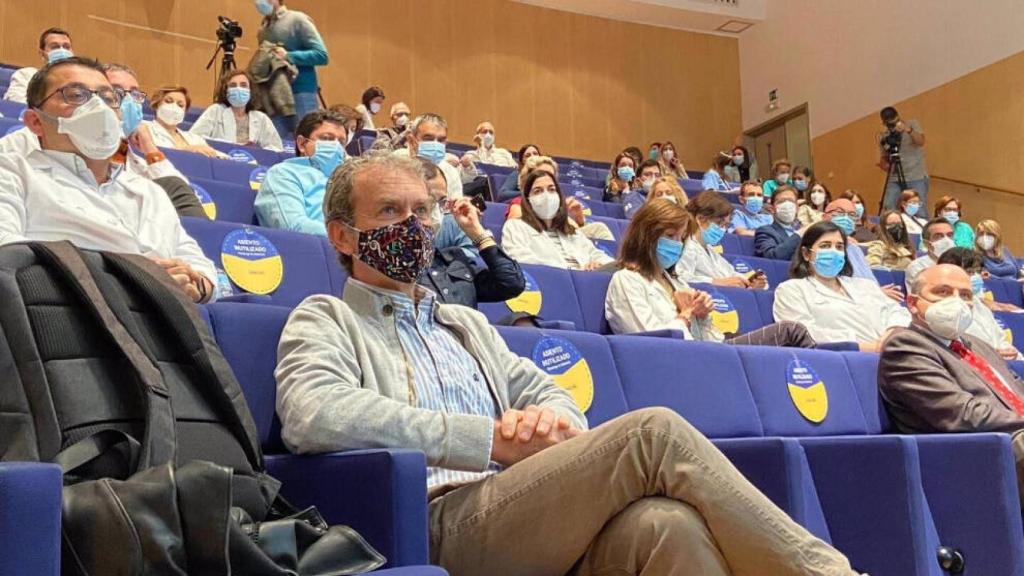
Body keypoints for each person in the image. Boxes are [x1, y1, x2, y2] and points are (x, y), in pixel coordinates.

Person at [277, 151, 861, 576]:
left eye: (422, 212)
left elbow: (549, 392)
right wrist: (487, 440)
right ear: (344, 236)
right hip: (427, 520)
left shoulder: (465, 323)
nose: (413, 226)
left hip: (519, 506)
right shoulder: (325, 316)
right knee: (652, 433)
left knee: (666, 527)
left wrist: (548, 423)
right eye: (388, 212)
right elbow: (313, 412)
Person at [0, 57, 215, 303]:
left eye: (109, 97)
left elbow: (200, 267)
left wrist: (196, 285)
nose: (98, 107)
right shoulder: (12, 171)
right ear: (36, 121)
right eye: (76, 95)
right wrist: (134, 279)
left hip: (163, 325)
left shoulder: (149, 192)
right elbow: (9, 256)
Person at [878, 265, 1024, 499]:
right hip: (969, 460)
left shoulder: (977, 345)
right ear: (913, 303)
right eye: (943, 292)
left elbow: (1018, 392)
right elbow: (962, 414)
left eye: (965, 295)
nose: (956, 302)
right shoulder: (906, 346)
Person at [0, 62, 203, 218]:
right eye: (115, 92)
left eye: (134, 94)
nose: (127, 101)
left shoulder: (135, 163)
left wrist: (150, 149)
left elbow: (188, 206)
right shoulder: (25, 141)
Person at [606, 200, 817, 348]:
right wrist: (686, 314)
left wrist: (704, 315)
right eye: (670, 236)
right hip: (679, 363)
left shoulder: (675, 282)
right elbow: (651, 343)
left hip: (711, 350)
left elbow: (711, 338)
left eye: (681, 238)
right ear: (645, 237)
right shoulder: (626, 280)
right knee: (789, 331)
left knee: (790, 335)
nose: (677, 245)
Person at [774, 222, 911, 351]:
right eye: (825, 246)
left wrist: (893, 331)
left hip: (893, 352)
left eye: (839, 247)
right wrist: (867, 346)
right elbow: (801, 333)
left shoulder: (864, 285)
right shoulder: (791, 289)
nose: (834, 252)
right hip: (844, 359)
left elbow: (897, 312)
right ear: (806, 254)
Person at [418, 161, 525, 308]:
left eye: (441, 202)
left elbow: (511, 283)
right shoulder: (391, 265)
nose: (435, 211)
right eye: (427, 202)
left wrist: (475, 230)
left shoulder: (453, 261)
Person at [254, 110, 347, 235]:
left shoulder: (348, 181)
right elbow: (293, 226)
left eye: (341, 142)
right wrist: (351, 239)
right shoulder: (283, 173)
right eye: (326, 138)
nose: (336, 146)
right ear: (302, 144)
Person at [502, 170, 614, 270]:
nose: (546, 195)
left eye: (551, 189)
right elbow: (520, 260)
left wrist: (598, 264)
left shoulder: (572, 231)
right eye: (537, 191)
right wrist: (575, 271)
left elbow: (596, 254)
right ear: (528, 200)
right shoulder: (515, 226)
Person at [255, 0, 329, 138]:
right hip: (274, 97)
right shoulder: (263, 29)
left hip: (301, 95)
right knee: (276, 146)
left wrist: (289, 56)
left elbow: (322, 55)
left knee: (307, 142)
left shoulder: (297, 19)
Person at [937, 248, 1021, 360]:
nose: (976, 276)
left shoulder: (978, 304)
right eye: (970, 272)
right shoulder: (944, 310)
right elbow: (957, 350)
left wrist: (1013, 353)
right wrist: (994, 355)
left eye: (978, 271)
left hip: (1006, 364)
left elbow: (1000, 339)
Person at [676, 192, 768, 290]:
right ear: (700, 219)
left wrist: (750, 282)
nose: (722, 229)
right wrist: (716, 282)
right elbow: (681, 278)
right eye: (719, 223)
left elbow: (731, 273)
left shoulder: (709, 249)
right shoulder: (687, 246)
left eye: (725, 225)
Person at [189, 70, 283, 151]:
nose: (238, 89)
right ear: (226, 91)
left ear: (251, 90)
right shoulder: (215, 111)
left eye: (243, 85)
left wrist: (258, 151)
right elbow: (193, 138)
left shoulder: (261, 118)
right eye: (233, 85)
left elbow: (276, 148)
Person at [396, 113, 470, 201]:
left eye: (441, 140)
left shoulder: (451, 172)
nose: (435, 144)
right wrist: (414, 163)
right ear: (411, 140)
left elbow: (454, 209)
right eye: (428, 139)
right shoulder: (395, 162)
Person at [144, 86, 224, 158]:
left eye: (180, 105)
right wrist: (187, 150)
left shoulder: (195, 138)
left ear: (184, 112)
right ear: (157, 104)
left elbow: (215, 155)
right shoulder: (144, 128)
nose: (174, 107)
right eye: (168, 101)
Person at [4, 27, 73, 103]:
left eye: (66, 47)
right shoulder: (26, 75)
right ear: (42, 54)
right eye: (55, 47)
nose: (62, 51)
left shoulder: (81, 81)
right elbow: (17, 105)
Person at [879, 106, 928, 209]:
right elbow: (884, 157)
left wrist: (908, 130)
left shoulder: (912, 124)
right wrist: (885, 166)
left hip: (916, 175)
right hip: (895, 177)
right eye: (889, 123)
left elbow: (921, 141)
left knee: (918, 209)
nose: (892, 125)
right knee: (888, 206)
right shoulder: (885, 136)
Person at [904, 218, 955, 293]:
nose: (946, 240)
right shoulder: (917, 267)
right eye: (939, 236)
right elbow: (922, 297)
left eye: (950, 235)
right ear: (926, 244)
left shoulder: (960, 263)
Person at [754, 185, 802, 261]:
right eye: (781, 201)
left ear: (797, 208)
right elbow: (771, 257)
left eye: (791, 201)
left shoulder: (804, 230)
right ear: (772, 209)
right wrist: (799, 235)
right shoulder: (765, 231)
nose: (787, 205)